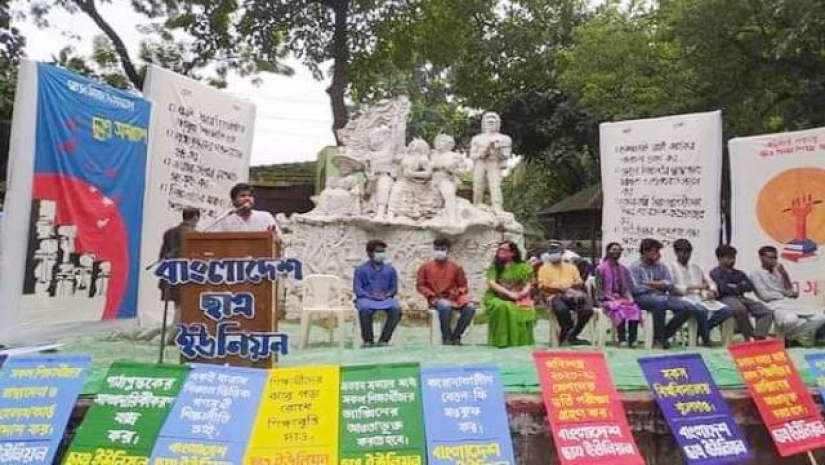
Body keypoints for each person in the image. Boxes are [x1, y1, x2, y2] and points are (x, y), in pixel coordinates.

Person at [630, 238, 705, 349]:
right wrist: (656, 286)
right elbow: (635, 288)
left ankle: (664, 335)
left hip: (662, 296)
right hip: (642, 298)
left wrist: (652, 283)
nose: (658, 254)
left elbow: (669, 284)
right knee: (660, 303)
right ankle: (658, 340)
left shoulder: (661, 266)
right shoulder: (635, 267)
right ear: (645, 252)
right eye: (655, 251)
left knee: (688, 307)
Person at [751, 246, 825, 346]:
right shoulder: (755, 274)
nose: (773, 260)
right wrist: (784, 294)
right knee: (791, 319)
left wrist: (784, 273)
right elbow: (765, 296)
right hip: (772, 304)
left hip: (788, 302)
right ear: (761, 258)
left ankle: (799, 335)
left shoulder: (778, 271)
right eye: (770, 257)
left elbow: (789, 290)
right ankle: (785, 339)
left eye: (775, 258)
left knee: (820, 317)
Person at [668, 239, 733, 346]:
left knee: (727, 311)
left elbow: (710, 282)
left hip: (700, 297)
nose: (685, 255)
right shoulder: (671, 267)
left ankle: (698, 333)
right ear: (676, 252)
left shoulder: (696, 267)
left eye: (687, 252)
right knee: (701, 310)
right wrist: (697, 286)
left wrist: (712, 290)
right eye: (682, 252)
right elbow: (673, 288)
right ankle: (706, 339)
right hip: (682, 298)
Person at [416, 238, 476, 345]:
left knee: (470, 307)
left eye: (442, 249)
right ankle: (446, 337)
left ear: (448, 250)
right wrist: (431, 294)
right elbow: (420, 285)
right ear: (433, 250)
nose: (439, 251)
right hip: (436, 298)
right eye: (437, 249)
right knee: (445, 305)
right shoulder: (425, 267)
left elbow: (463, 286)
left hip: (455, 298)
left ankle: (456, 336)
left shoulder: (456, 267)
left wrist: (456, 292)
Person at [155, 207, 200, 344]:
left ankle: (174, 336)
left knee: (178, 306)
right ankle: (171, 339)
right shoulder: (194, 235)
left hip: (170, 274)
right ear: (196, 218)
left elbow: (162, 255)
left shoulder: (169, 233)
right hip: (186, 275)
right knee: (183, 307)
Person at [710, 245, 774, 341]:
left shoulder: (739, 273)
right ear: (720, 258)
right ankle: (749, 336)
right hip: (725, 299)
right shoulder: (715, 273)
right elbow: (722, 288)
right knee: (740, 309)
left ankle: (759, 337)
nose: (732, 261)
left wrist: (734, 287)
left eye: (733, 258)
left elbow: (749, 286)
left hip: (741, 298)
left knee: (766, 312)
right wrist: (739, 286)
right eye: (729, 258)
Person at [538, 244, 593, 345]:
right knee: (562, 310)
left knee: (587, 310)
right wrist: (559, 289)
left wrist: (570, 287)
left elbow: (579, 282)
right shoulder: (544, 269)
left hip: (571, 294)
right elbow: (542, 286)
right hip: (554, 296)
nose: (553, 254)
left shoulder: (571, 267)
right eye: (551, 252)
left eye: (556, 251)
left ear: (562, 253)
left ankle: (573, 334)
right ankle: (564, 335)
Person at [484, 240, 536, 348]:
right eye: (500, 249)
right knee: (502, 306)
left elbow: (529, 283)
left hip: (519, 297)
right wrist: (509, 294)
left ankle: (517, 342)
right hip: (496, 297)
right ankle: (501, 341)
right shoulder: (495, 266)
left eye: (504, 250)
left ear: (513, 253)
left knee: (522, 309)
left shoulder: (523, 266)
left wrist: (522, 293)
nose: (500, 252)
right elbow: (492, 283)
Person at [353, 240, 402, 347]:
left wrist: (387, 295)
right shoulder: (361, 270)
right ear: (369, 253)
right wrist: (370, 296)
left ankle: (384, 340)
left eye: (383, 252)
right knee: (365, 310)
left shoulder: (390, 270)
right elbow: (357, 289)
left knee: (396, 309)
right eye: (378, 252)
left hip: (385, 298)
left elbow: (394, 288)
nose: (381, 254)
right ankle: (368, 341)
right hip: (366, 299)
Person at [594, 243, 642, 347]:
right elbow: (599, 290)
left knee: (634, 307)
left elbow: (628, 288)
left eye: (618, 250)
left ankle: (633, 339)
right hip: (605, 300)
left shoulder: (624, 269)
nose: (616, 252)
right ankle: (622, 339)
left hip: (622, 298)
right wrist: (610, 298)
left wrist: (630, 299)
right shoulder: (600, 269)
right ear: (608, 251)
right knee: (618, 308)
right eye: (613, 249)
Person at [211, 183, 279, 233]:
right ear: (233, 201)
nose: (247, 198)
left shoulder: (266, 217)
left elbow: (280, 241)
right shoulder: (224, 218)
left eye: (250, 195)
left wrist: (273, 236)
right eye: (242, 196)